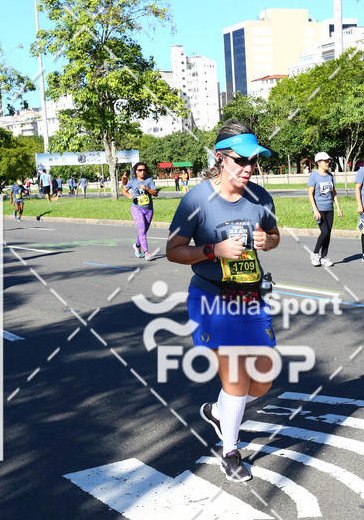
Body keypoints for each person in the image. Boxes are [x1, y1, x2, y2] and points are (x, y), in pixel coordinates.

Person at [166, 121, 280, 483]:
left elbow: (274, 235)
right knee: (236, 375)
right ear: (220, 158)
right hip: (211, 298)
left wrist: (267, 242)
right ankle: (230, 453)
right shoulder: (197, 200)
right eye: (241, 160)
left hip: (250, 296)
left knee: (262, 381)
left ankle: (218, 412)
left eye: (254, 161)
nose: (249, 168)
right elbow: (173, 250)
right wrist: (211, 250)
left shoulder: (260, 197)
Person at [307, 151, 343, 267]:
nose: (328, 163)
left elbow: (333, 192)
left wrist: (338, 208)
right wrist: (315, 210)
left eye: (328, 161)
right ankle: (315, 253)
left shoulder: (330, 176)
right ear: (318, 162)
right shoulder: (314, 176)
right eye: (325, 161)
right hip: (319, 209)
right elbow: (310, 194)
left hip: (329, 208)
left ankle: (324, 257)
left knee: (328, 234)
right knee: (325, 232)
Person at [122, 162, 158, 260]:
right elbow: (123, 190)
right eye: (140, 170)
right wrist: (128, 195)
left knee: (143, 230)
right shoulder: (133, 181)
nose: (142, 172)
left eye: (144, 170)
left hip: (149, 209)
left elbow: (155, 193)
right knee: (142, 229)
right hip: (136, 208)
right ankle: (146, 252)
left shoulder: (149, 180)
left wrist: (147, 188)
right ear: (136, 171)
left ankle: (137, 246)